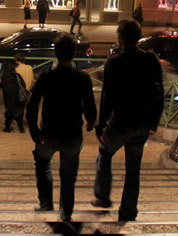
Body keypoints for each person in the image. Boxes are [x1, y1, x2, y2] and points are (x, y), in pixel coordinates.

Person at [92, 19, 164, 222]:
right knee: (133, 169)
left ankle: (103, 196)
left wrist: (100, 126)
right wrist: (153, 122)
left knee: (104, 155)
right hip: (141, 124)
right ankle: (128, 211)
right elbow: (159, 93)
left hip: (120, 123)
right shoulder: (151, 60)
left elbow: (107, 99)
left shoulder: (114, 63)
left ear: (120, 38)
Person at [26, 34, 97, 223]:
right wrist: (91, 121)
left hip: (47, 133)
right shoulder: (83, 78)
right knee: (68, 175)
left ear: (55, 53)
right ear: (74, 53)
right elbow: (90, 106)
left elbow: (32, 105)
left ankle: (46, 202)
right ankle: (66, 214)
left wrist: (34, 130)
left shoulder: (46, 76)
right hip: (72, 135)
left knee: (42, 163)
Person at [0, 62, 26, 133]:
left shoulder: (5, 78)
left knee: (9, 113)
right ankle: (21, 129)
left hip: (8, 99)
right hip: (18, 98)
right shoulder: (17, 76)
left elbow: (1, 85)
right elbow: (24, 84)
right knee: (18, 114)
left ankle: (7, 128)